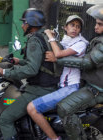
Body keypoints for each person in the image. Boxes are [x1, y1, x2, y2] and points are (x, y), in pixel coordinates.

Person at [0, 8, 61, 140]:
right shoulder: (45, 36)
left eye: (24, 23)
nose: (22, 26)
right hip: (49, 85)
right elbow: (40, 63)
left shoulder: (34, 40)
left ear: (31, 24)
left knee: (5, 119)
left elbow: (32, 70)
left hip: (39, 89)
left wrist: (4, 71)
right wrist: (20, 61)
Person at [27, 15, 89, 140]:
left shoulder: (81, 43)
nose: (75, 28)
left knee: (32, 108)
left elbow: (59, 53)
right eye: (72, 25)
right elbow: (57, 48)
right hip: (62, 86)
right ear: (65, 27)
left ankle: (55, 139)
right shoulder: (66, 41)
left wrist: (50, 37)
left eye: (78, 26)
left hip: (71, 87)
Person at [47, 5, 103, 140]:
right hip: (90, 84)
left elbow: (87, 62)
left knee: (64, 109)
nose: (96, 27)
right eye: (96, 23)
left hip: (95, 90)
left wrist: (57, 60)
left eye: (100, 24)